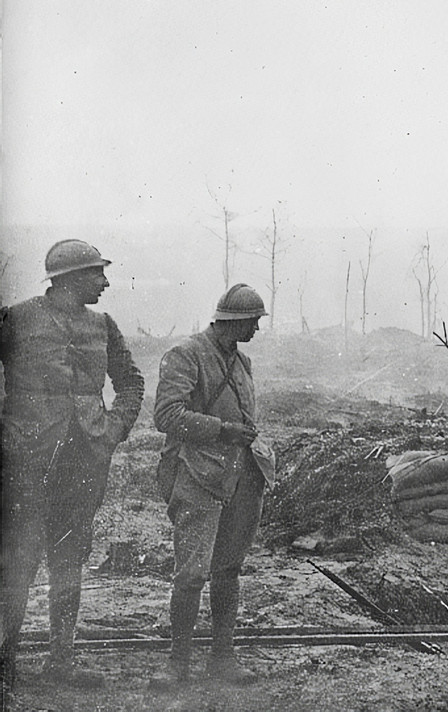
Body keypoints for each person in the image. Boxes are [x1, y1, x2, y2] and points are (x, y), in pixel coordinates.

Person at [0, 240, 145, 691]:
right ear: (69, 278)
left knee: (69, 560)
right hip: (25, 462)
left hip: (83, 462)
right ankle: (4, 666)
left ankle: (61, 661)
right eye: (97, 274)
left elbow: (131, 382)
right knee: (18, 561)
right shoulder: (16, 318)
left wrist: (112, 430)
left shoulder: (103, 325)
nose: (105, 283)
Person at [150, 284, 274, 688]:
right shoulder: (186, 354)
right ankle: (177, 664)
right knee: (191, 574)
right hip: (197, 474)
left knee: (228, 570)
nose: (257, 329)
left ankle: (223, 658)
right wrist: (223, 430)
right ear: (233, 321)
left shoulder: (242, 361)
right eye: (253, 321)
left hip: (241, 476)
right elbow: (167, 415)